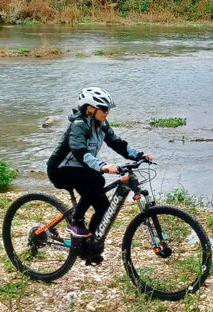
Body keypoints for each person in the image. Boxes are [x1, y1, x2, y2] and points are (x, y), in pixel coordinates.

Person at [46, 87, 153, 248]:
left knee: (104, 208)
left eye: (108, 109)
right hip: (60, 170)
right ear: (90, 108)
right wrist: (102, 166)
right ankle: (76, 222)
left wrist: (138, 155)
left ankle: (90, 246)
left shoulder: (102, 124)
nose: (107, 112)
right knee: (97, 179)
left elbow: (117, 143)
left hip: (81, 170)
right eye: (103, 108)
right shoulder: (78, 125)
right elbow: (80, 152)